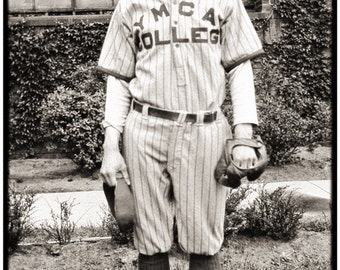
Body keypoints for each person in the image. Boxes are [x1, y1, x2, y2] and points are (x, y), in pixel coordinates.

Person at [98, 0, 264, 269]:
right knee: (149, 240)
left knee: (204, 241)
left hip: (204, 129)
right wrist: (110, 148)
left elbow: (239, 67)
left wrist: (243, 135)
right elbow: (119, 79)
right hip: (145, 130)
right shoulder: (130, 4)